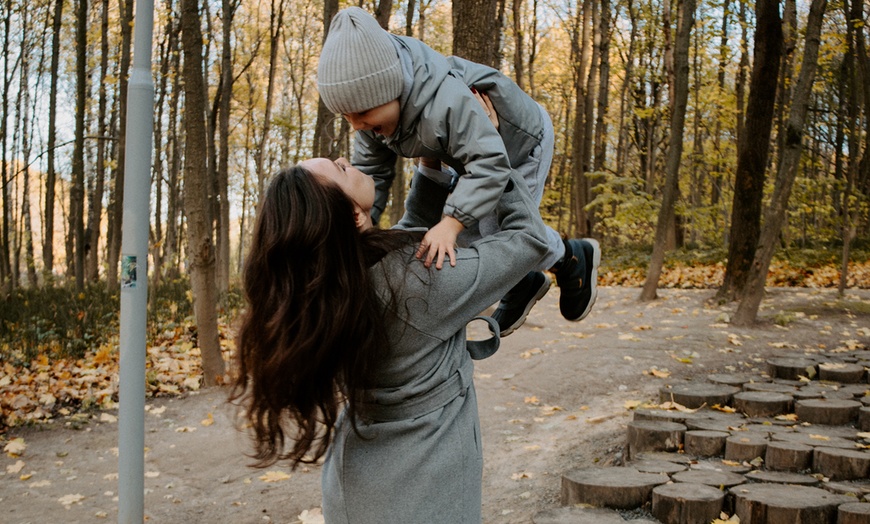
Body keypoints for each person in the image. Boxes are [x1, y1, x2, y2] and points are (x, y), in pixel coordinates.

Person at [231, 157, 550, 523]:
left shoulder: (337, 288)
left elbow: (410, 237)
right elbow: (530, 240)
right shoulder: (417, 285)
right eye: (340, 169)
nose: (345, 159)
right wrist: (489, 155)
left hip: (359, 481)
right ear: (352, 215)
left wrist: (430, 170)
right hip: (423, 484)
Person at [316, 6, 601, 337]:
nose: (357, 126)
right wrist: (355, 237)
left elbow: (490, 163)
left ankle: (572, 257)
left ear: (390, 87)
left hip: (519, 145)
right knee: (462, 239)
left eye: (362, 113)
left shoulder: (446, 102)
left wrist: (450, 223)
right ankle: (523, 281)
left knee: (499, 234)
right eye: (346, 117)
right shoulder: (371, 122)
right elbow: (368, 177)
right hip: (469, 155)